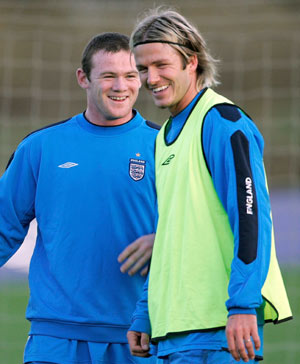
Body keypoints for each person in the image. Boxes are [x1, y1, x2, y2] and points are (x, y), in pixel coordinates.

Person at [127, 8, 293, 364]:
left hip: (219, 331)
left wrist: (243, 305)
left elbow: (251, 220)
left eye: (161, 65)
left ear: (191, 62)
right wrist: (145, 312)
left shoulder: (223, 122)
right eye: (142, 69)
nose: (150, 78)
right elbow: (168, 235)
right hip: (171, 332)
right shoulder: (162, 139)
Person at [0, 32, 160, 364]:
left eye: (130, 76)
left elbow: (200, 230)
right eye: (108, 76)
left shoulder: (166, 148)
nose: (121, 86)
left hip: (141, 335)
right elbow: (3, 227)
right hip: (55, 337)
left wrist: (164, 239)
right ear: (83, 78)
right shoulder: (40, 148)